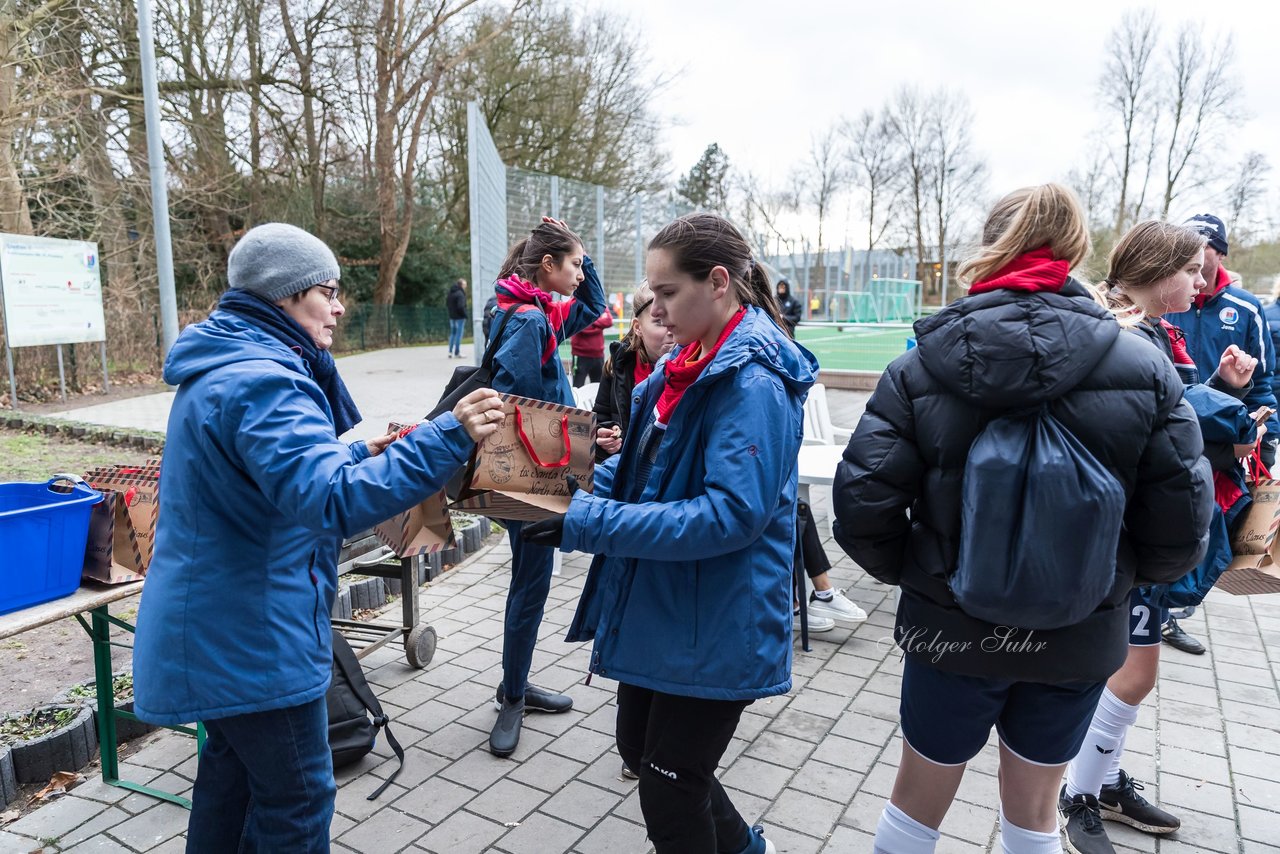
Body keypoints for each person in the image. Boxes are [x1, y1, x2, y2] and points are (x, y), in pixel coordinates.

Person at [832, 185, 1213, 854]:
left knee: (917, 801)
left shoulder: (921, 363)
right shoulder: (1147, 367)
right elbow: (1182, 526)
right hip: (1080, 629)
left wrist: (928, 576)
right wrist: (1111, 582)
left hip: (952, 629)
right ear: (1075, 248)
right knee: (1034, 812)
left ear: (992, 242)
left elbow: (863, 505)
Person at [131, 223, 506, 853]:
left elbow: (279, 476)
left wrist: (361, 450)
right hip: (252, 637)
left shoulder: (232, 364)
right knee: (299, 797)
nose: (338, 307)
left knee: (230, 783)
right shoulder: (265, 380)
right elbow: (332, 500)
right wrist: (448, 436)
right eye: (326, 292)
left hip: (223, 624)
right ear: (284, 295)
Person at [522, 212, 814, 854]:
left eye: (666, 293)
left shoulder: (752, 381)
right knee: (643, 751)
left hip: (716, 613)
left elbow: (731, 515)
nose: (654, 308)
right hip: (668, 600)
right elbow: (646, 472)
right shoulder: (688, 362)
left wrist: (585, 520)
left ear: (717, 282)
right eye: (651, 294)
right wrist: (556, 481)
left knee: (670, 784)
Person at [1060, 220, 1261, 854]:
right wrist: (1231, 411)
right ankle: (1079, 794)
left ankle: (1101, 779)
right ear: (1156, 271)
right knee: (1127, 671)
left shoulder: (1144, 330)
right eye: (1191, 269)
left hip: (1138, 527)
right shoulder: (1124, 334)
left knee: (1134, 669)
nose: (1202, 281)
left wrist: (1226, 393)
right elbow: (1165, 412)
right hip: (1121, 533)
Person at [486, 217, 607, 758]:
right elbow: (517, 403)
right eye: (575, 264)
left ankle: (516, 683)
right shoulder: (531, 320)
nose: (580, 275)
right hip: (531, 472)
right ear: (547, 266)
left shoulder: (524, 308)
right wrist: (575, 436)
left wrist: (584, 257)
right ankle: (513, 696)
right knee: (530, 584)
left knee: (530, 580)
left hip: (534, 467)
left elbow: (591, 307)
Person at [593, 281, 673, 459]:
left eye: (676, 316)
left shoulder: (694, 364)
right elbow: (598, 419)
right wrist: (604, 437)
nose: (671, 328)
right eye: (659, 321)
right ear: (638, 327)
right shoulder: (617, 366)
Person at [571, 308, 615, 387]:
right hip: (580, 355)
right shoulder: (577, 304)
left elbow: (608, 321)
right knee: (577, 388)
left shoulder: (601, 305)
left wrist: (589, 320)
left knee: (599, 388)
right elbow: (580, 326)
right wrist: (599, 320)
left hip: (598, 355)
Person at [446, 277, 468, 357]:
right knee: (458, 335)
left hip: (452, 317)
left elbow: (447, 304)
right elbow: (460, 306)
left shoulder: (450, 293)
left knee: (452, 334)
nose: (466, 286)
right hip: (460, 318)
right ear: (461, 285)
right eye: (465, 284)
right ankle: (457, 352)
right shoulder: (460, 294)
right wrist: (465, 315)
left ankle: (450, 352)